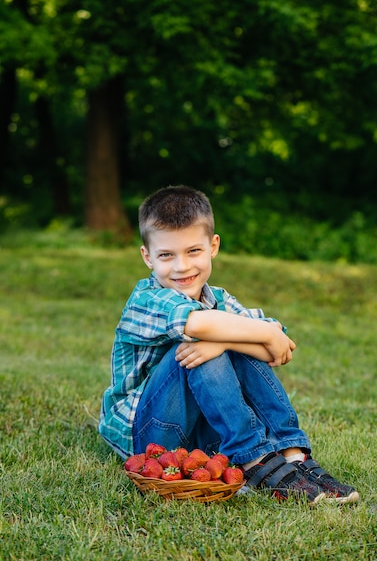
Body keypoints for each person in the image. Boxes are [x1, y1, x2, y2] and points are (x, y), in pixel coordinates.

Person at [99, 185, 359, 504]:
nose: (181, 266)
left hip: (203, 437)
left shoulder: (219, 299)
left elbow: (279, 348)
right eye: (166, 255)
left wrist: (236, 341)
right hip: (149, 437)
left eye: (193, 251)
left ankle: (293, 455)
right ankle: (253, 460)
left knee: (230, 336)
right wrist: (258, 333)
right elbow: (203, 325)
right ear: (147, 256)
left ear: (213, 246)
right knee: (212, 335)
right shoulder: (146, 299)